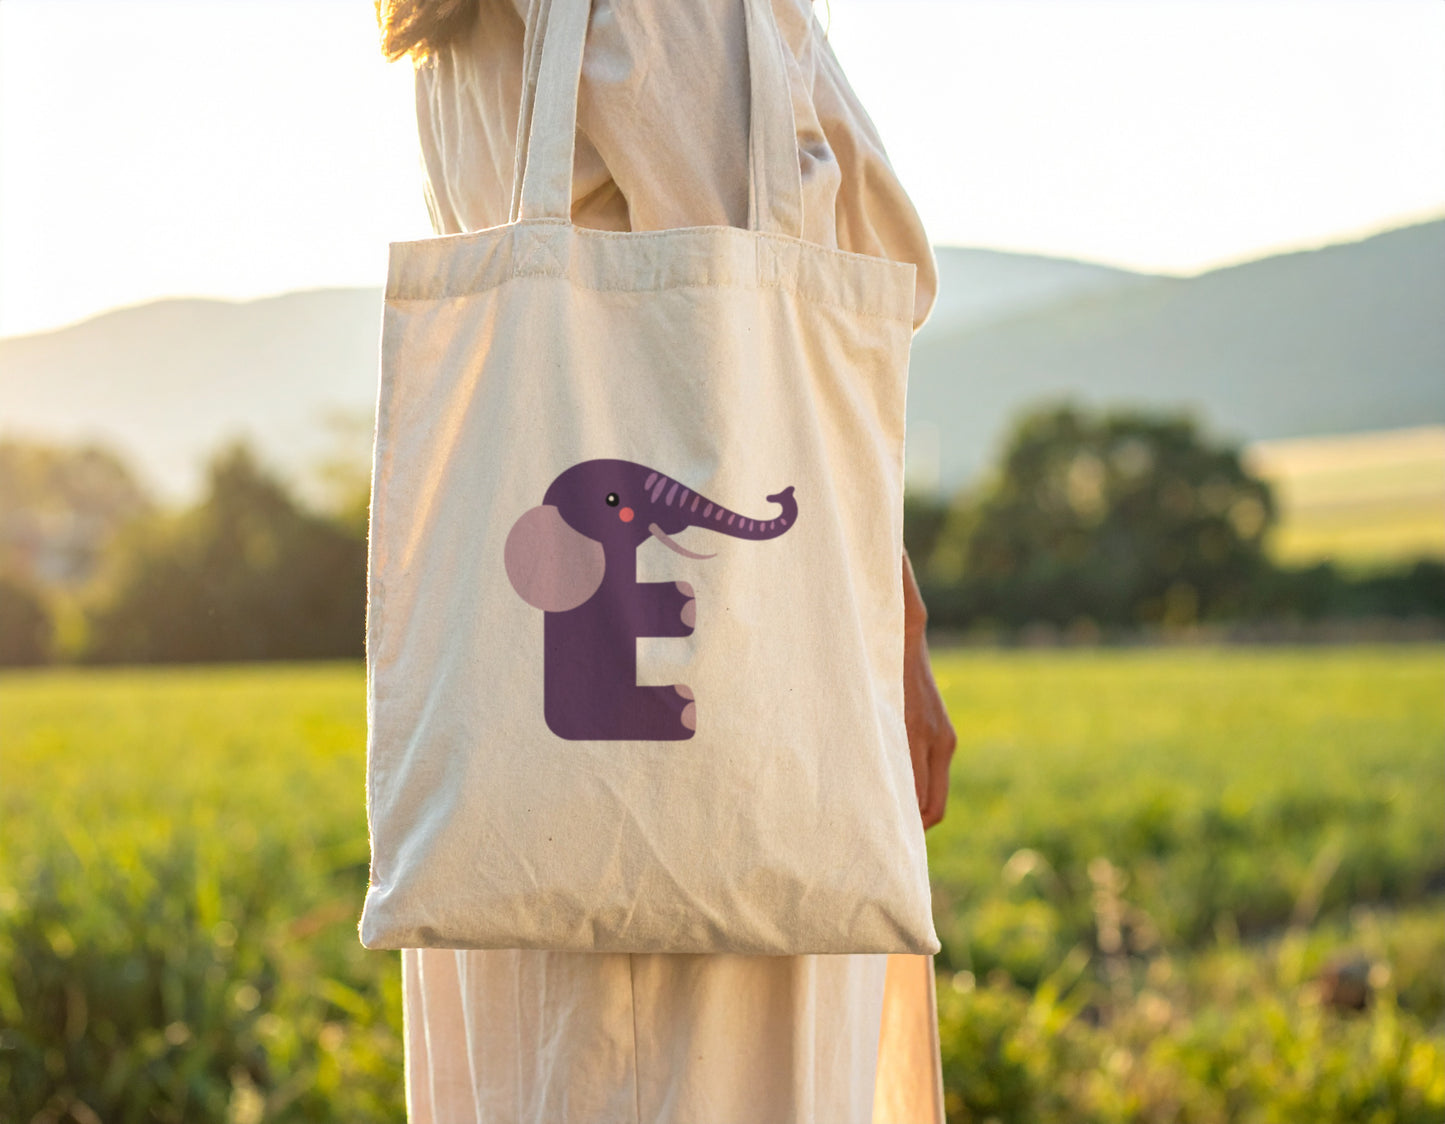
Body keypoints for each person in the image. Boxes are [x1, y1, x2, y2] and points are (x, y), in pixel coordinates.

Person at [377, 1, 958, 1120]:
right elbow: (752, 375)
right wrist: (897, 627)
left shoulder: (456, 20)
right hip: (714, 725)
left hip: (531, 745)